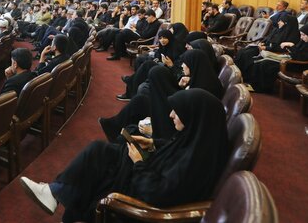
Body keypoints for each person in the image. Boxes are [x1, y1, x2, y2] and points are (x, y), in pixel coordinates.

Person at [20, 89, 229, 223]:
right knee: (103, 151)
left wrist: (138, 162)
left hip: (143, 203)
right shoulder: (201, 143)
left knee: (99, 156)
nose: (170, 115)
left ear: (194, 118)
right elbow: (177, 151)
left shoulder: (195, 164)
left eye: (177, 112)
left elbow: (157, 194)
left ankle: (54, 192)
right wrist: (154, 144)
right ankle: (54, 191)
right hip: (150, 173)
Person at [248, 24, 308, 93]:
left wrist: (291, 46)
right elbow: (297, 53)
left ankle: (262, 88)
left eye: (303, 35)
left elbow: (302, 58)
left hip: (302, 67)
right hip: (293, 61)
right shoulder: (305, 42)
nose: (301, 37)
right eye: (301, 34)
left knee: (266, 64)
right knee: (260, 61)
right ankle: (254, 85)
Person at [235, 15, 300, 80]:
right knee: (243, 52)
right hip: (265, 49)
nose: (278, 22)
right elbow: (268, 38)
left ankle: (247, 78)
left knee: (249, 56)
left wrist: (266, 47)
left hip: (274, 53)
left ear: (287, 23)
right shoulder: (277, 29)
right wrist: (262, 43)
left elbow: (282, 48)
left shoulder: (294, 35)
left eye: (281, 21)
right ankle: (238, 75)